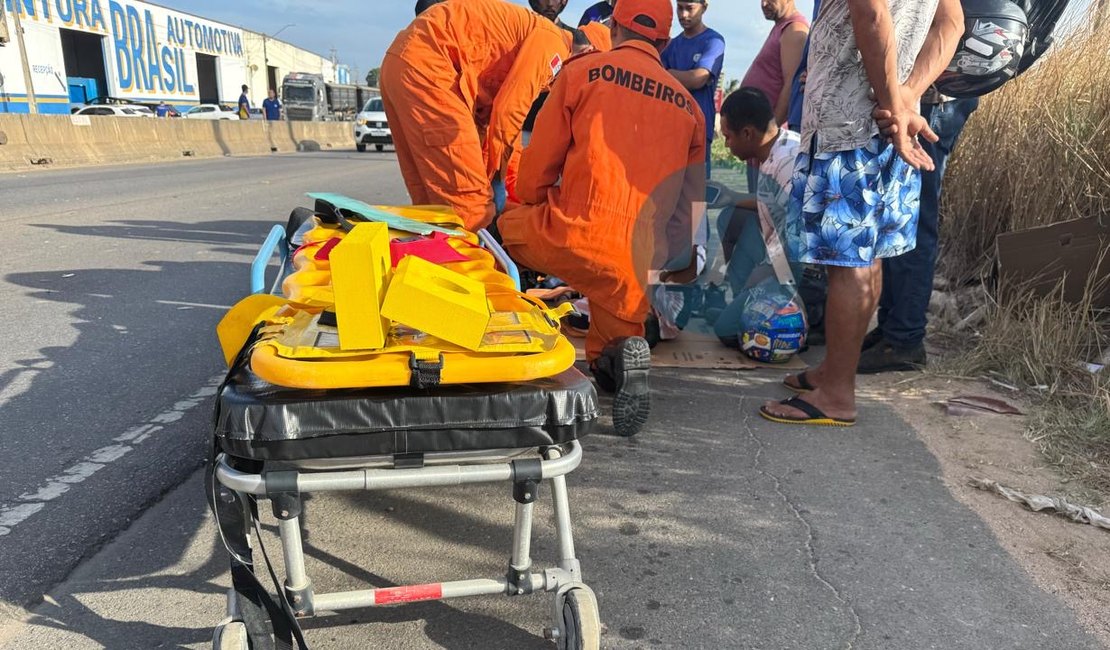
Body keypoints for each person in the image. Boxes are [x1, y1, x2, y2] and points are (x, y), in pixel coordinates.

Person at [497, 0, 706, 437]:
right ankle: (615, 361)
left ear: (613, 26)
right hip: (635, 258)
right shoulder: (690, 109)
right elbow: (689, 206)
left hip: (569, 235)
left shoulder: (581, 73)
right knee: (619, 323)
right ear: (663, 41)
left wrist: (533, 205)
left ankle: (502, 339)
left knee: (499, 236)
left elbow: (535, 175)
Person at [760, 0, 964, 427]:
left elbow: (870, 13)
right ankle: (834, 372)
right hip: (897, 124)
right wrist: (907, 98)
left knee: (846, 264)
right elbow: (952, 22)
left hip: (849, 122)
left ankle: (836, 394)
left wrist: (892, 102)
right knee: (867, 256)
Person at [380, 0, 573, 230]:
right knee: (472, 209)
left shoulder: (530, 38)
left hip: (400, 63)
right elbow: (509, 113)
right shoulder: (555, 46)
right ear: (587, 53)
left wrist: (506, 180)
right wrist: (497, 179)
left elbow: (493, 121)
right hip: (428, 65)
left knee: (434, 205)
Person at [858, 93, 979, 372]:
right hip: (935, 98)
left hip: (932, 100)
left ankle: (904, 338)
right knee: (898, 215)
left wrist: (908, 92)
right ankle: (892, 327)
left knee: (911, 217)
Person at [710, 88, 809, 344]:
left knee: (726, 332)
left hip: (802, 265)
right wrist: (731, 196)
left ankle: (781, 309)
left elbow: (801, 231)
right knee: (731, 216)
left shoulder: (788, 162)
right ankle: (749, 301)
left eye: (728, 137)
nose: (726, 144)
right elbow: (770, 203)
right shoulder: (777, 147)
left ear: (747, 133)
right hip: (779, 253)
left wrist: (767, 270)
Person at [739, 0, 808, 191]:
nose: (764, 3)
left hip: (772, 143)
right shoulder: (780, 28)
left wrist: (768, 135)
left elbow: (791, 87)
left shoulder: (794, 30)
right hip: (761, 139)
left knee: (770, 209)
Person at [661, 0, 725, 177]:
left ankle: (698, 207)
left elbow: (699, 78)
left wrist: (667, 73)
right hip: (672, 128)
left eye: (690, 8)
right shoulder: (671, 46)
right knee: (672, 187)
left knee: (698, 190)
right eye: (680, 8)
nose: (683, 15)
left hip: (699, 127)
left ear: (704, 7)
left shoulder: (714, 41)